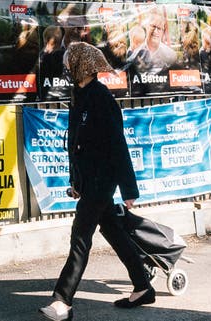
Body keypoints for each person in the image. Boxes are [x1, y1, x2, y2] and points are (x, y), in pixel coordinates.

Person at [40, 43, 154, 321]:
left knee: (80, 237)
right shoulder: (79, 96)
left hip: (103, 180)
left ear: (81, 66)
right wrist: (75, 180)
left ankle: (62, 301)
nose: (66, 68)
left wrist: (128, 188)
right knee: (113, 231)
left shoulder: (101, 98)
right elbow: (77, 145)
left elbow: (118, 144)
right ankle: (142, 287)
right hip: (89, 180)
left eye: (69, 63)